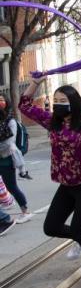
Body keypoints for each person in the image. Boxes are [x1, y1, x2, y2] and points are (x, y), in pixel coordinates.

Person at [20, 77, 81, 274]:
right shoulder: (52, 122)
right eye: (56, 100)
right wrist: (35, 83)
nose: (58, 104)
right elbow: (25, 105)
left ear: (74, 102)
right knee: (51, 227)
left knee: (79, 229)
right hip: (66, 185)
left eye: (63, 101)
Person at [0, 94, 33, 223]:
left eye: (1, 100)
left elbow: (9, 143)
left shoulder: (11, 121)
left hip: (7, 158)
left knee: (11, 186)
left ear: (7, 102)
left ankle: (25, 211)